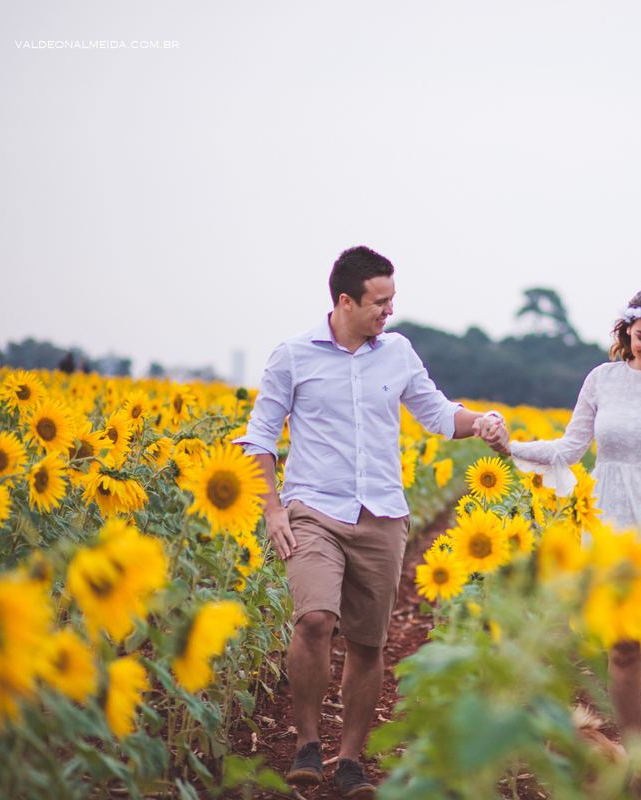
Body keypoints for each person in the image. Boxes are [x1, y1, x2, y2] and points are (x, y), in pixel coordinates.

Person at [235, 246, 503, 797]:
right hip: (314, 509)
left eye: (391, 301)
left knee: (367, 643)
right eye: (380, 302)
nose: (388, 311)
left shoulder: (397, 352)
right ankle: (308, 743)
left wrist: (482, 422)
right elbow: (259, 438)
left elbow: (436, 412)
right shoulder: (292, 356)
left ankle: (350, 759)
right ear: (345, 301)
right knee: (314, 620)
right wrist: (271, 508)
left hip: (382, 513)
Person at [482, 285, 641, 798]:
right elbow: (572, 446)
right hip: (610, 521)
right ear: (626, 332)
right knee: (622, 648)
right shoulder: (602, 379)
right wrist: (511, 446)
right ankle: (630, 759)